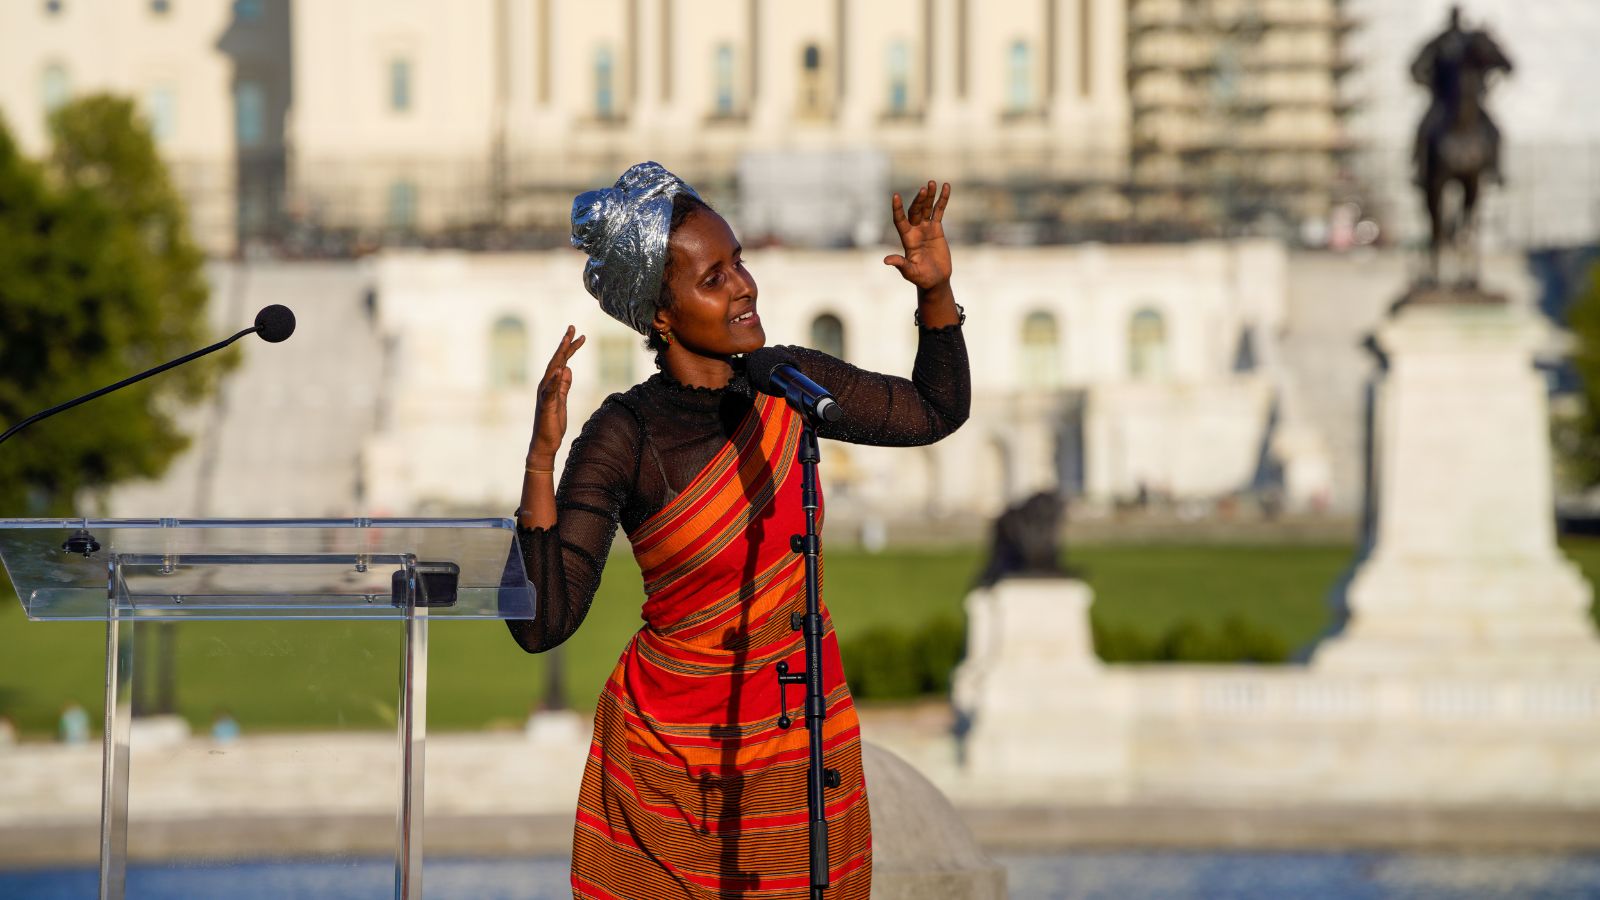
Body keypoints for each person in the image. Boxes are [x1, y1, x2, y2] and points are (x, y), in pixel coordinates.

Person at [509, 162, 970, 898]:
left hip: (798, 753)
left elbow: (934, 411)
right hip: (663, 767)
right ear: (662, 314)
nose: (744, 285)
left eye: (740, 262)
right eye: (713, 276)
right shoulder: (624, 435)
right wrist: (540, 459)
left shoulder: (791, 386)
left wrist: (935, 292)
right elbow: (543, 623)